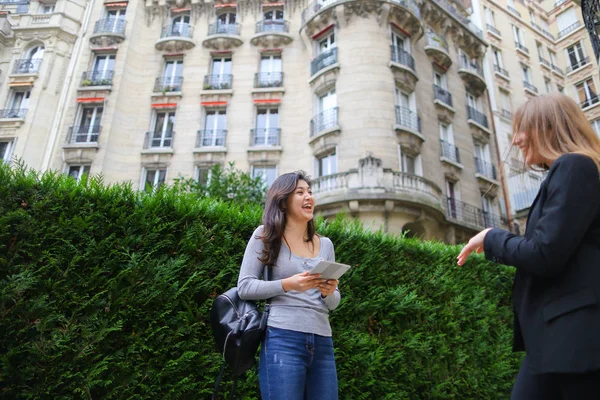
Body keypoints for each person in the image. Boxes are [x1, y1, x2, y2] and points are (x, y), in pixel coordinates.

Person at [457, 93, 600, 399]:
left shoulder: (575, 166)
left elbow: (545, 253)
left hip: (577, 343)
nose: (517, 139)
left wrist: (492, 237)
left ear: (549, 127)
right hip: (557, 342)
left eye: (522, 129)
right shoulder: (573, 170)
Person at [238, 171, 340, 400]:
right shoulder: (265, 235)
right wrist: (288, 284)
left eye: (311, 192)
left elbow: (334, 303)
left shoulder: (325, 244)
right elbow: (245, 287)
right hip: (282, 338)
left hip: (323, 340)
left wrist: (329, 292)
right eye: (301, 192)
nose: (309, 197)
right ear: (283, 201)